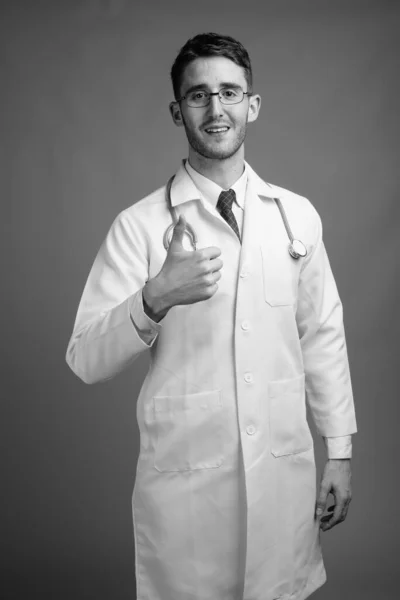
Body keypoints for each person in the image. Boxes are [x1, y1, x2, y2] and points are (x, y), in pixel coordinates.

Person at [66, 32, 357, 600]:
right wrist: (154, 298)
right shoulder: (140, 226)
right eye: (198, 96)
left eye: (229, 92)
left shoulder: (296, 216)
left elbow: (322, 335)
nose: (216, 108)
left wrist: (340, 451)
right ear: (178, 111)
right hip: (188, 490)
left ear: (252, 105)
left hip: (281, 476)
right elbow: (84, 359)